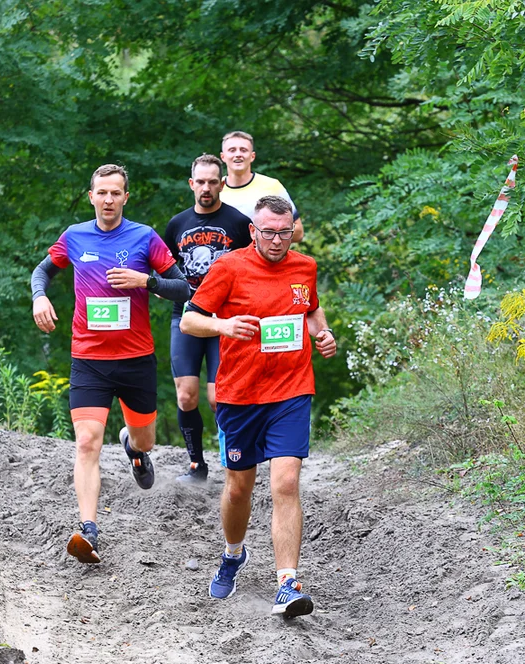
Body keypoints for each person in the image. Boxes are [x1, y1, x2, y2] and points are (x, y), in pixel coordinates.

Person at [179, 195, 337, 617]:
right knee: (238, 487)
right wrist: (223, 324)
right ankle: (233, 553)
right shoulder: (229, 267)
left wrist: (324, 335)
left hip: (291, 389)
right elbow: (190, 320)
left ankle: (287, 582)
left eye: (285, 232)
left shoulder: (305, 267)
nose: (277, 240)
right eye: (268, 232)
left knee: (285, 484)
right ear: (253, 230)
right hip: (240, 394)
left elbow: (312, 313)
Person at [31, 164, 192, 564]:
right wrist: (39, 296)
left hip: (136, 358)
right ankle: (89, 529)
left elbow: (184, 287)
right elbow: (43, 270)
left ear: (125, 197)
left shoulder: (144, 237)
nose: (108, 200)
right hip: (89, 358)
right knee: (86, 442)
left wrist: (147, 282)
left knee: (146, 439)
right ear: (91, 196)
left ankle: (135, 451)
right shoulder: (74, 236)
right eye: (101, 193)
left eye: (115, 193)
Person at [163, 154, 253, 483]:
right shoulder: (176, 224)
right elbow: (164, 271)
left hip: (226, 319)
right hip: (186, 315)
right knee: (186, 394)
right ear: (191, 184)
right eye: (200, 182)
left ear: (222, 183)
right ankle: (196, 465)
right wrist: (159, 287)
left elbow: (255, 267)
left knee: (218, 398)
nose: (206, 188)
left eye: (213, 182)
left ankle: (234, 463)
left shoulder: (241, 224)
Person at [219, 131, 304, 244]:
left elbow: (298, 232)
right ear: (223, 156)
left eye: (243, 150)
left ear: (252, 156)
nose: (238, 154)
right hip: (225, 260)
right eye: (232, 150)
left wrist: (264, 235)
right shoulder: (214, 189)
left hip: (263, 260)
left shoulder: (272, 187)